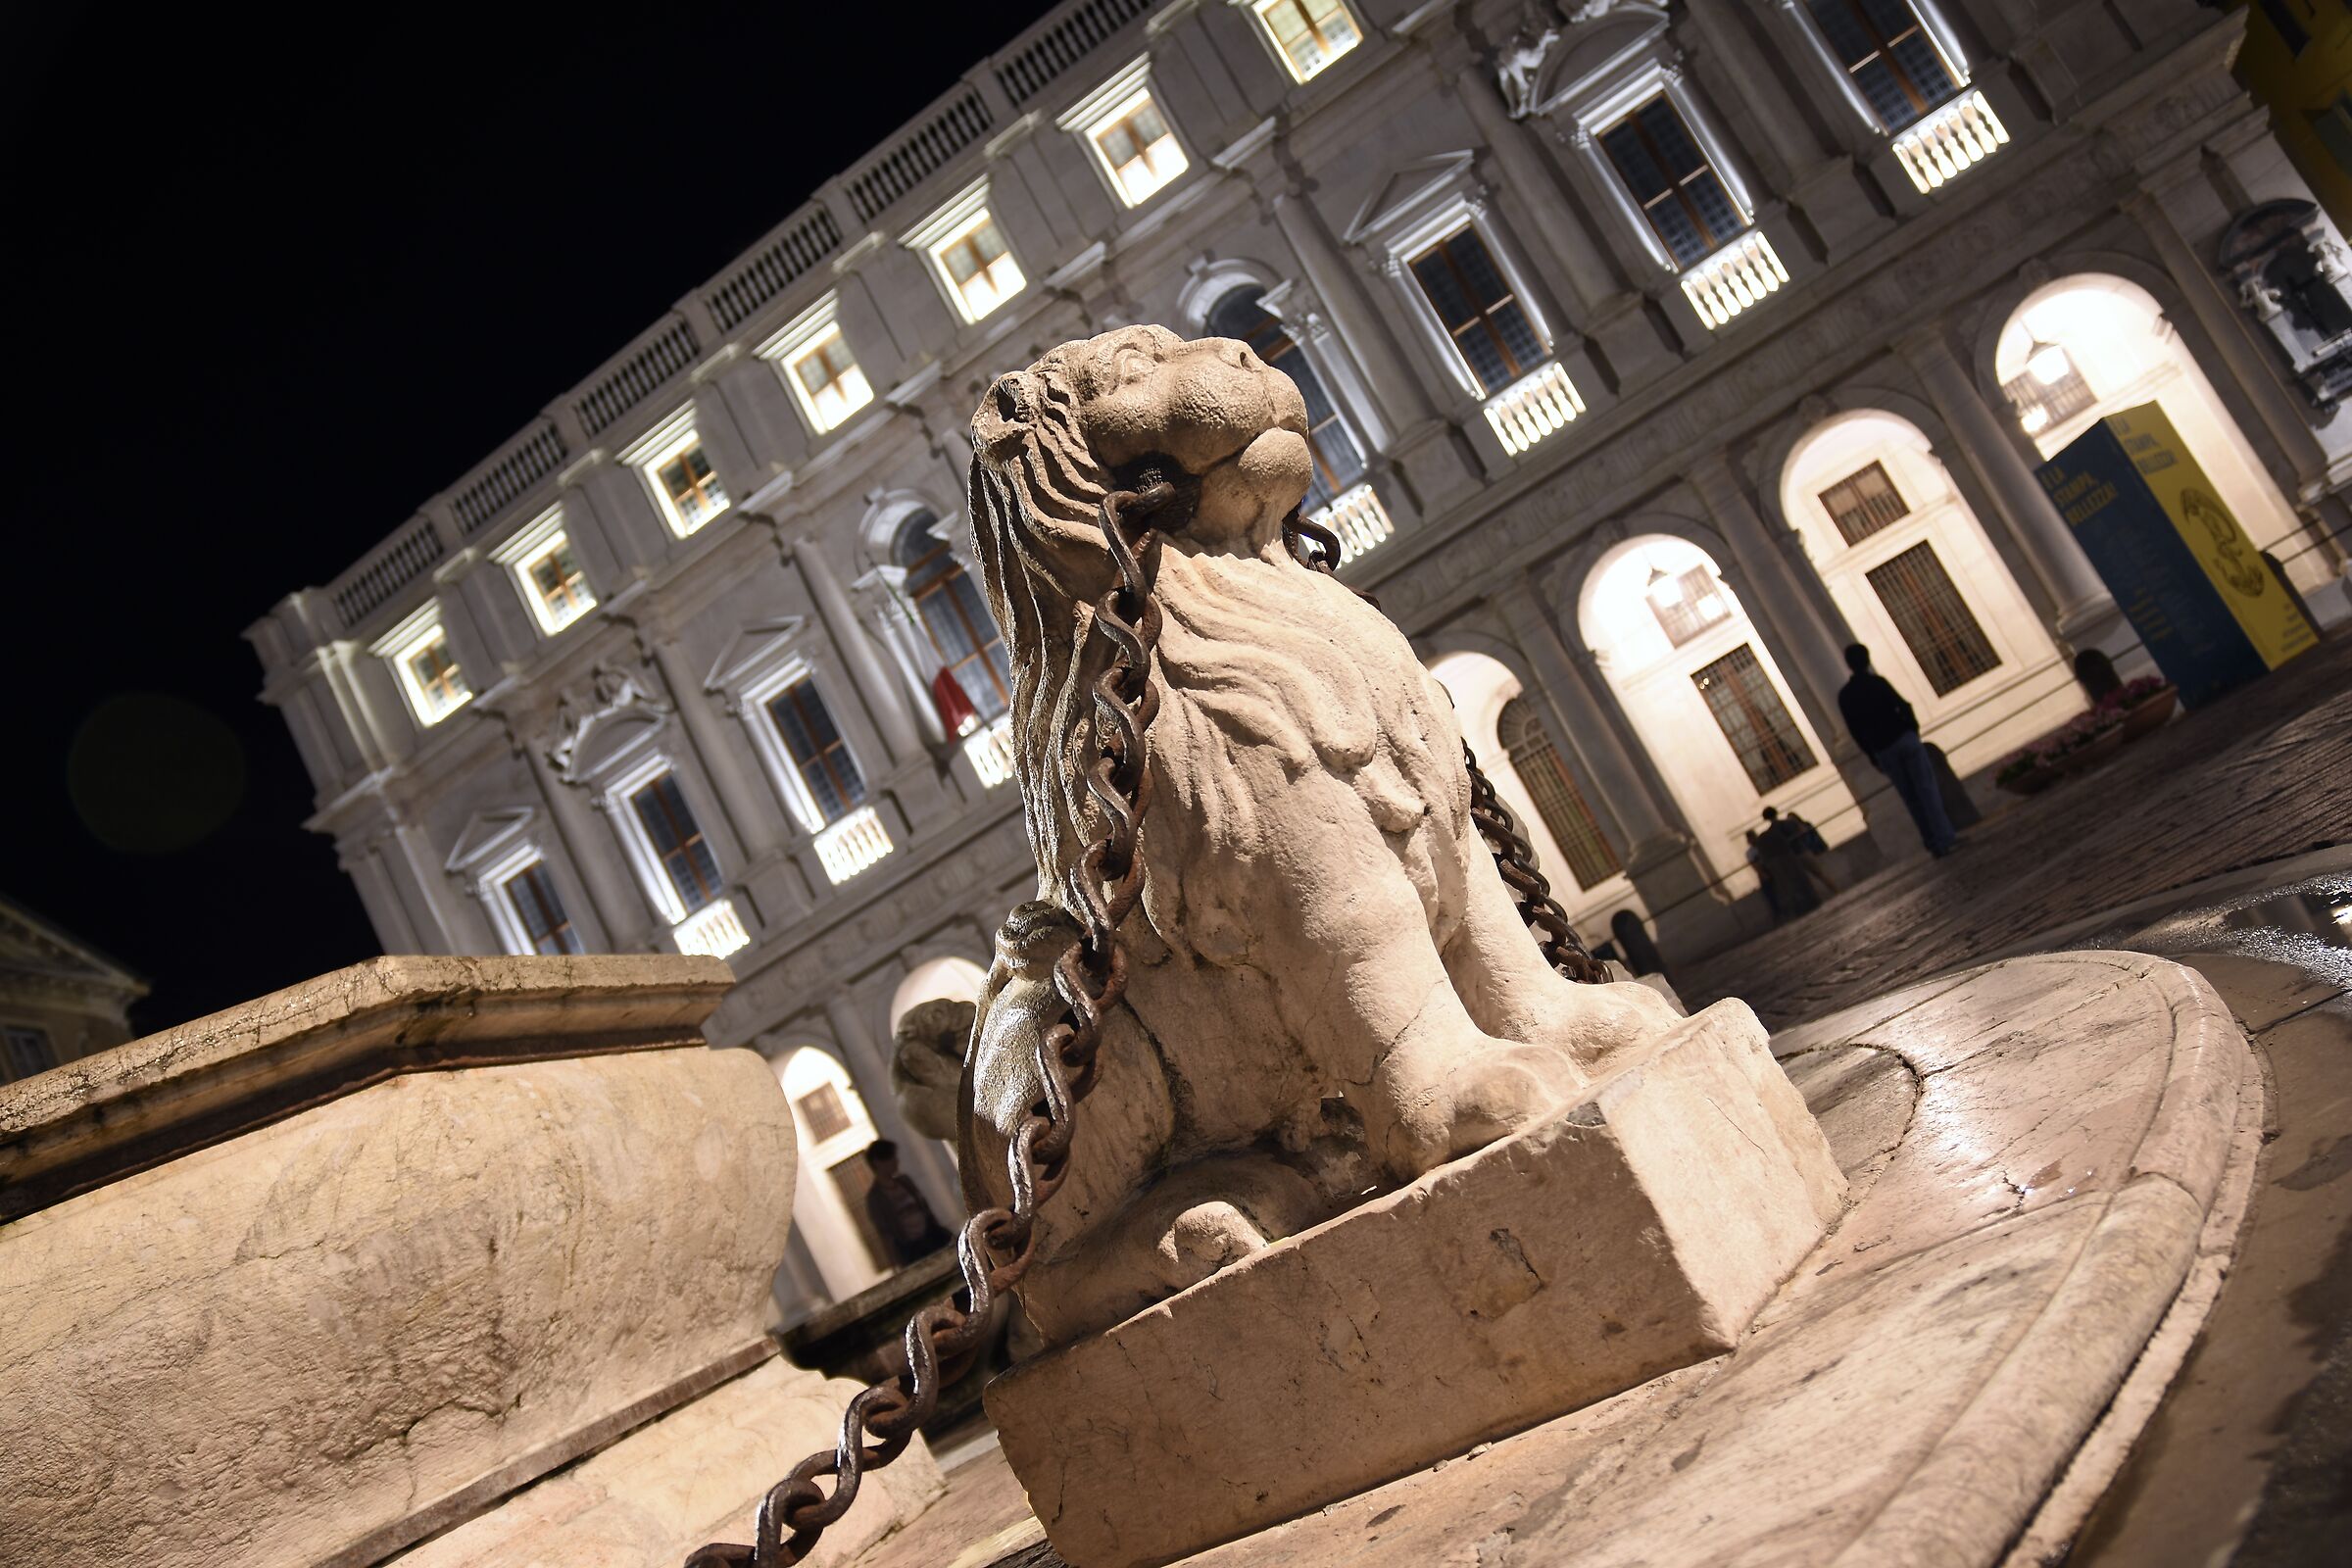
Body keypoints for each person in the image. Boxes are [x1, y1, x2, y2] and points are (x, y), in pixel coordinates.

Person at [1838, 644, 1958, 858]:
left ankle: (1932, 842)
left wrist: (1872, 755)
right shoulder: (1877, 683)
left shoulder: (1845, 696)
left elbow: (1855, 731)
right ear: (1867, 660)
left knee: (1910, 798)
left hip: (1883, 749)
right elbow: (1903, 705)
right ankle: (1945, 837)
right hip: (1903, 738)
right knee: (1927, 790)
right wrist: (1912, 731)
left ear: (1848, 664)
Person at [861, 1140, 953, 1267]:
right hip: (912, 1250)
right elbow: (885, 1233)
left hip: (932, 1237)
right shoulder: (876, 1198)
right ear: (878, 1162)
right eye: (891, 1158)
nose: (896, 1161)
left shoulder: (904, 1182)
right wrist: (895, 1263)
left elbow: (924, 1208)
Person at [1762, 805, 1837, 902]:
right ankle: (1835, 891)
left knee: (1804, 882)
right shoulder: (1789, 823)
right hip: (1802, 851)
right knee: (1820, 874)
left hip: (1790, 858)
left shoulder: (1772, 831)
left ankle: (1817, 899)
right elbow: (1802, 831)